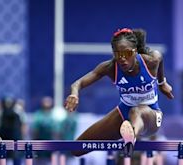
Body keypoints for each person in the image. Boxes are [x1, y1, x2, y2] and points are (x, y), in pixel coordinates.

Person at [64, 28, 174, 156]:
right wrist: (74, 93)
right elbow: (78, 83)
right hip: (124, 112)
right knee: (77, 148)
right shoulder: (110, 67)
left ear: (135, 52)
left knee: (137, 111)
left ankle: (130, 138)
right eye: (117, 54)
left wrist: (162, 83)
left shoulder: (150, 61)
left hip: (151, 114)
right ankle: (128, 133)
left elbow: (159, 58)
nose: (122, 58)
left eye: (127, 53)